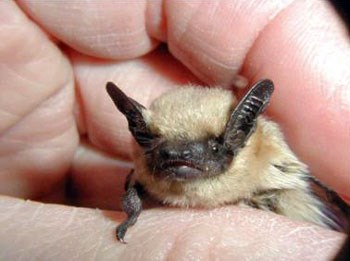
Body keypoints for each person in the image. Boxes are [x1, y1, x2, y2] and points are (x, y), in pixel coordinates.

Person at [0, 1, 348, 259]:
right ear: (142, 138)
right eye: (163, 151)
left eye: (209, 148)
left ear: (239, 133)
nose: (182, 159)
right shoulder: (141, 176)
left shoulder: (267, 162)